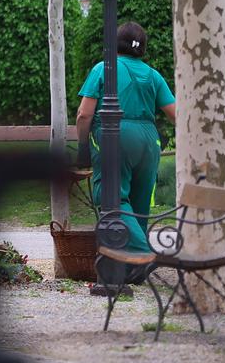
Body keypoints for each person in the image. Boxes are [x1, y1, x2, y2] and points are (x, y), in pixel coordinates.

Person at [75, 21, 176, 265]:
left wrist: (83, 147)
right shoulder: (153, 75)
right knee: (139, 204)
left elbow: (84, 114)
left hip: (114, 135)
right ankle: (133, 267)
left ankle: (144, 255)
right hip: (149, 140)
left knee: (112, 198)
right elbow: (176, 115)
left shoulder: (103, 69)